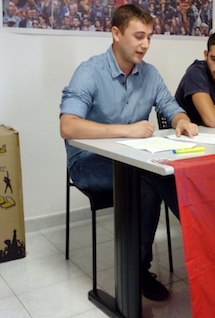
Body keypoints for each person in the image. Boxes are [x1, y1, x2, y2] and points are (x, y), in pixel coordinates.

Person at [59, 4, 198, 301]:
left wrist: (182, 121)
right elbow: (68, 126)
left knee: (157, 177)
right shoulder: (89, 71)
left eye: (149, 37)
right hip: (88, 164)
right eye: (138, 36)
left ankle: (139, 268)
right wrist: (127, 129)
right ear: (116, 34)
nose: (145, 44)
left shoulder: (150, 74)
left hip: (135, 160)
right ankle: (200, 234)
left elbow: (171, 108)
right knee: (148, 180)